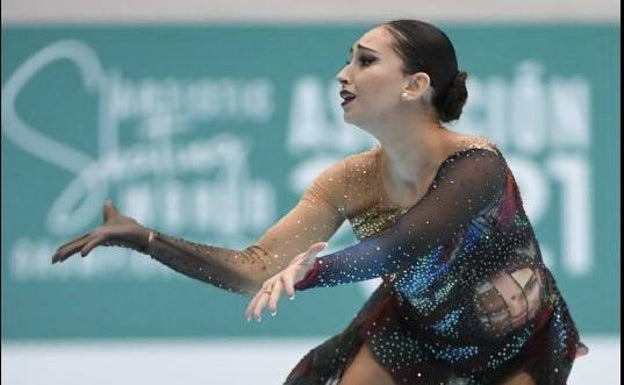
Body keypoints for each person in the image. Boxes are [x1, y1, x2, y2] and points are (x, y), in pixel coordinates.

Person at [52, 19, 587, 385]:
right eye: (347, 60)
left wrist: (308, 273)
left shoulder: (478, 167)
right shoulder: (348, 181)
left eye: (365, 61)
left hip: (519, 343)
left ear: (414, 85)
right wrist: (145, 239)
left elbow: (397, 248)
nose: (343, 74)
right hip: (414, 332)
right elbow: (253, 268)